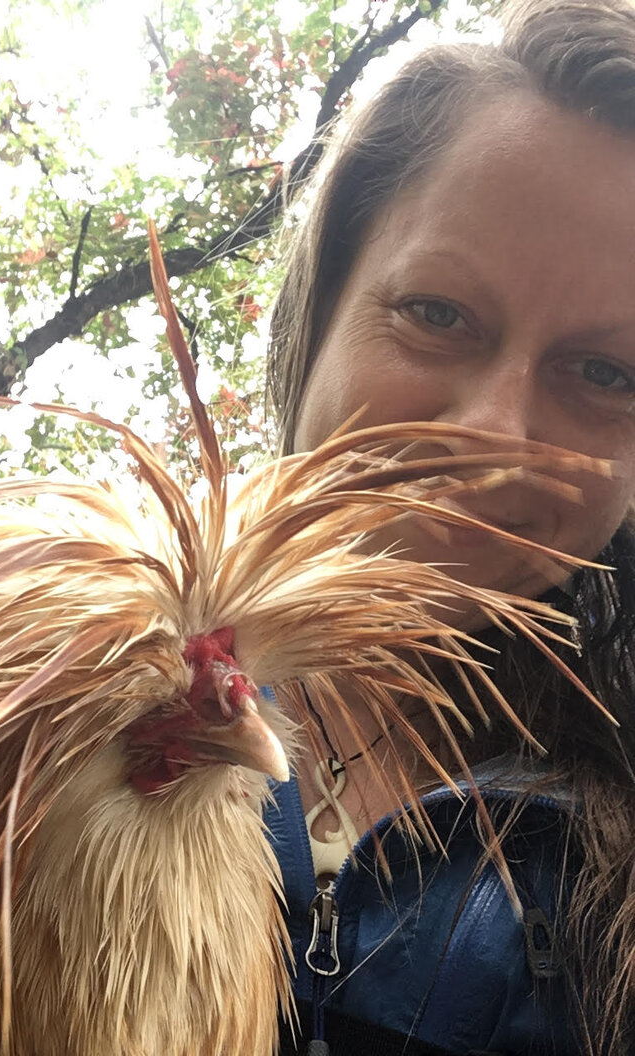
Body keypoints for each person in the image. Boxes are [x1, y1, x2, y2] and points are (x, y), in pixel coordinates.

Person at [264, 1, 635, 1053]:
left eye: (604, 372)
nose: (495, 435)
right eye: (438, 313)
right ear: (323, 307)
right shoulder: (4, 702)